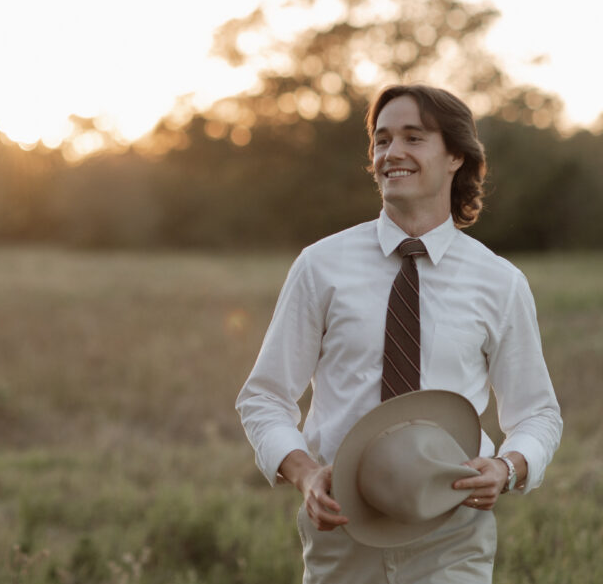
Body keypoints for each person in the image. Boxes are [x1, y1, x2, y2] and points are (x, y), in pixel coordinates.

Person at [236, 84, 562, 583]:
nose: (392, 153)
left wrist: (510, 468)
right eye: (382, 140)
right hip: (342, 530)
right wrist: (304, 475)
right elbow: (263, 397)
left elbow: (537, 412)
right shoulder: (320, 266)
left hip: (452, 533)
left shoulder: (500, 282)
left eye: (413, 137)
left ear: (456, 155)